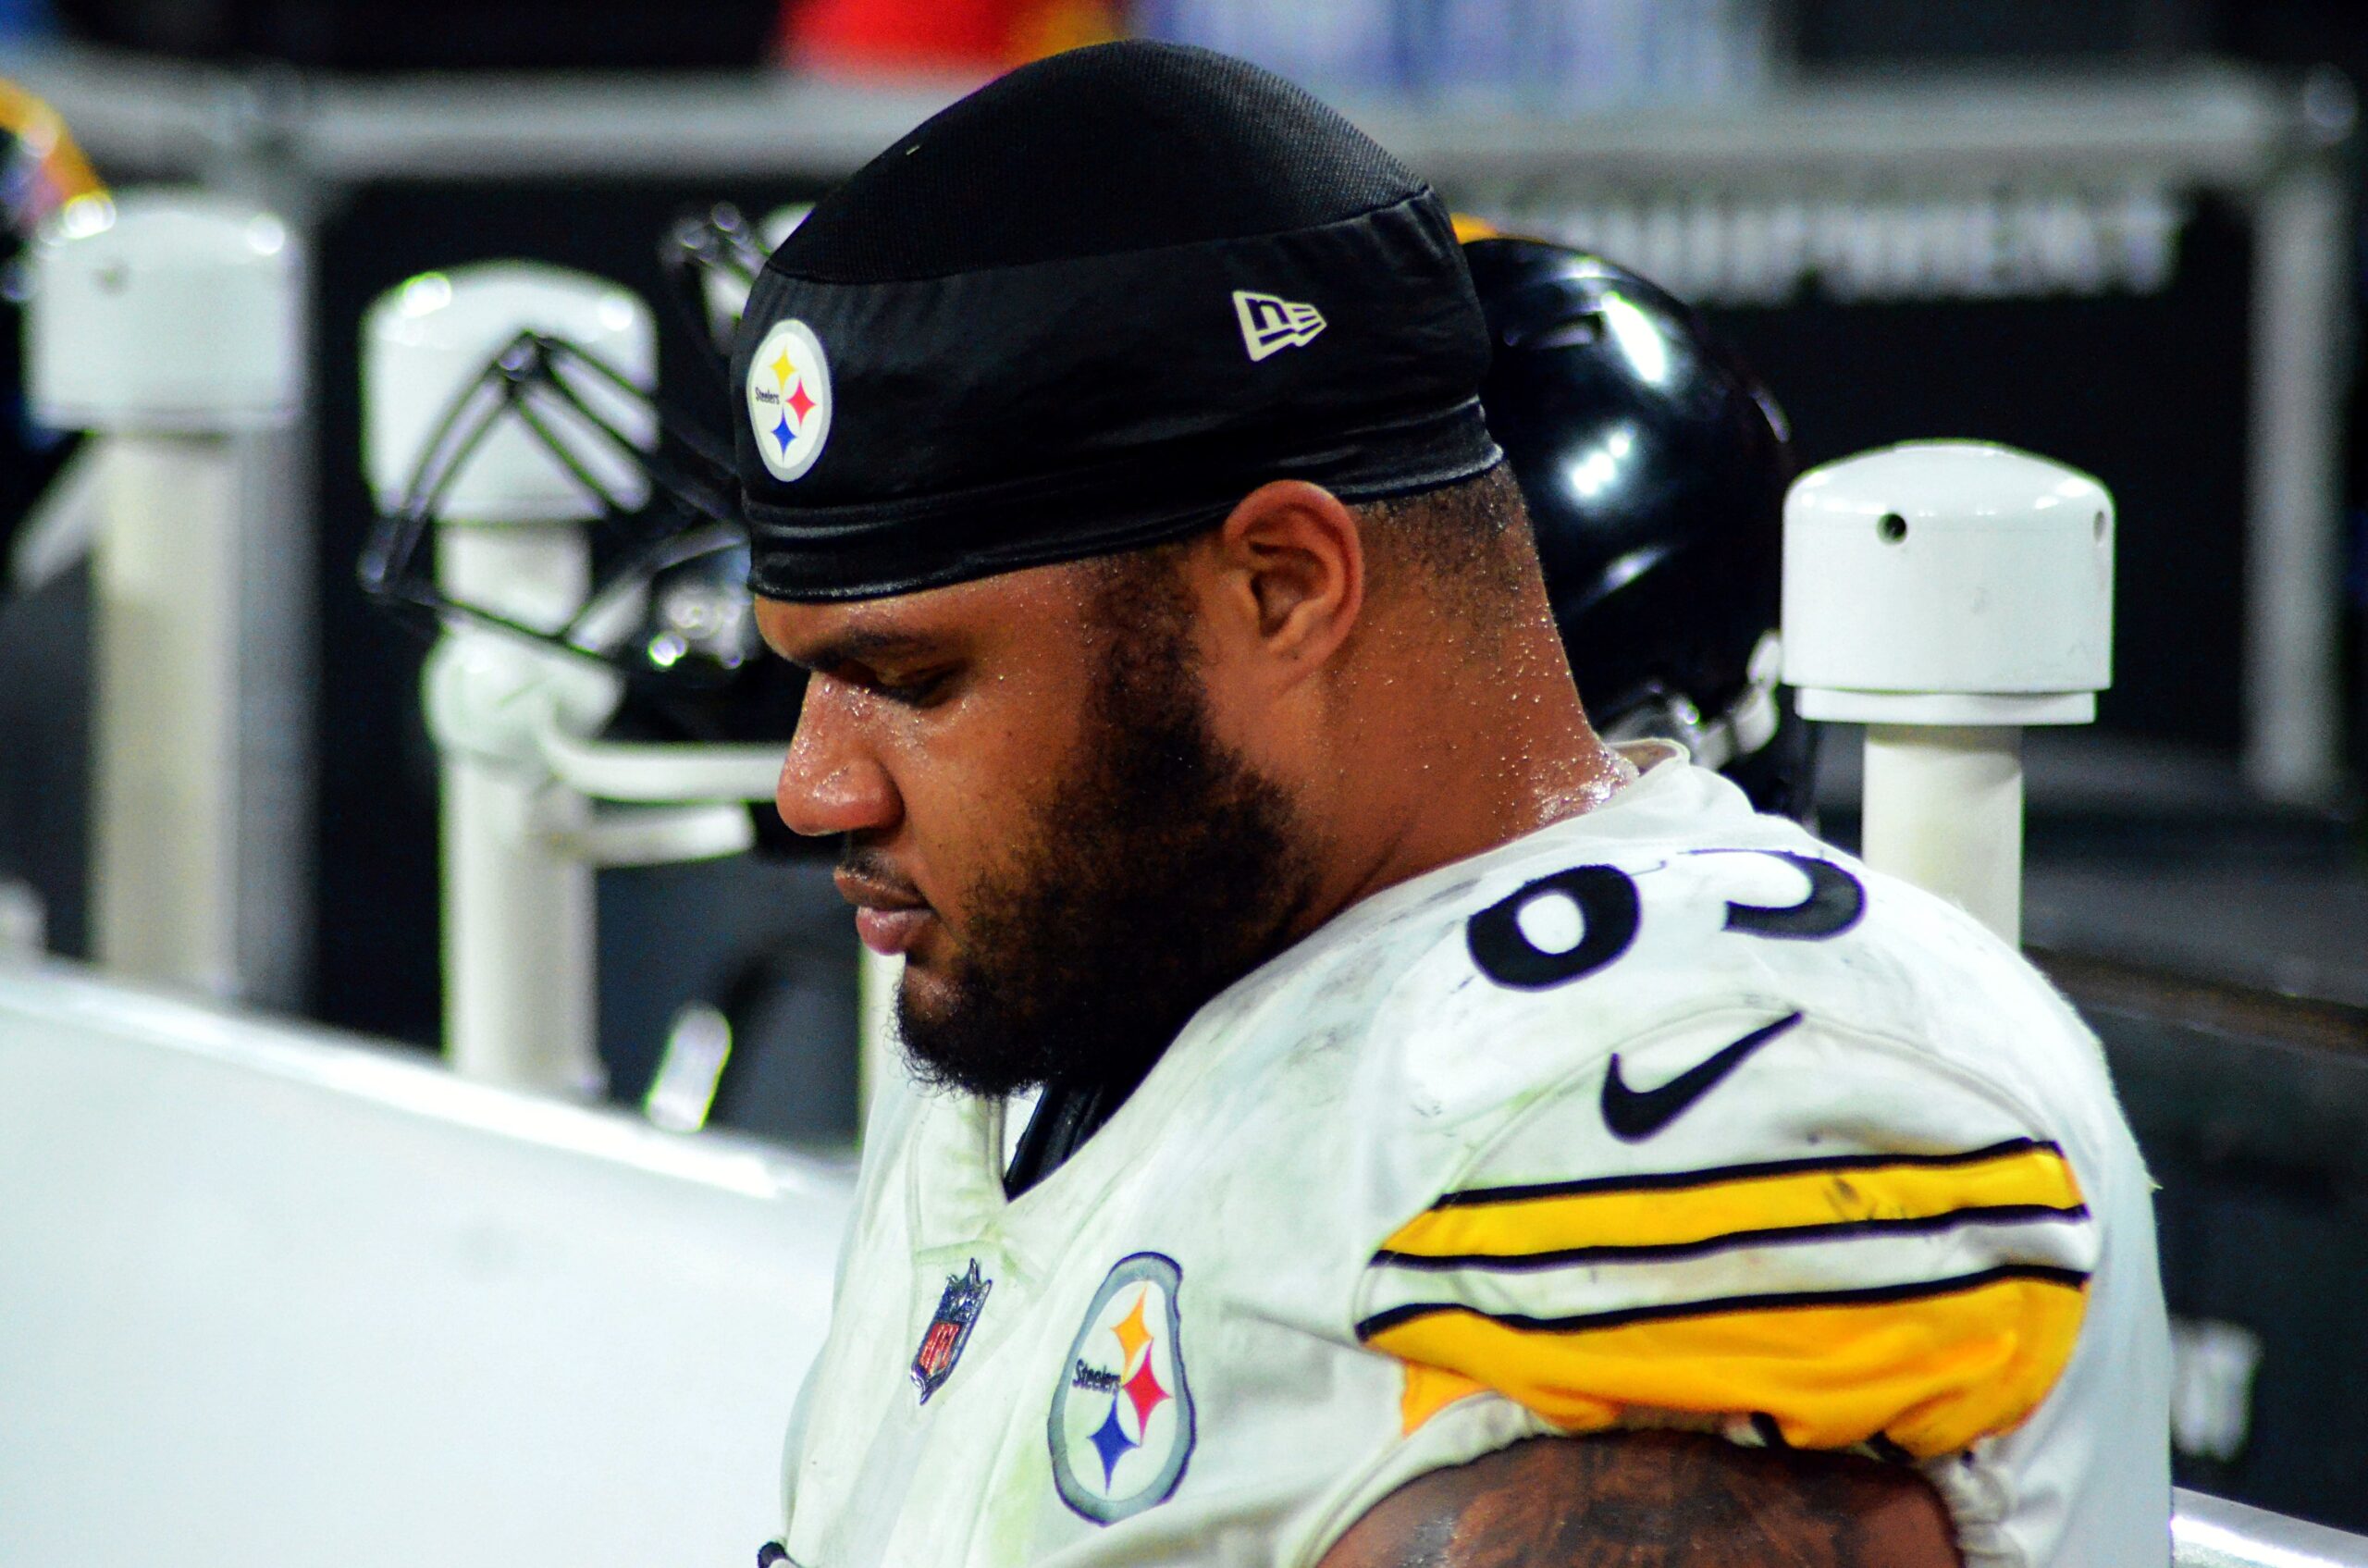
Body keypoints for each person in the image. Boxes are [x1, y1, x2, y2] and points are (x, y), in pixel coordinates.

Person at [734, 40, 2169, 1568]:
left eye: (917, 676)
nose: (814, 786)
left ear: (1283, 586)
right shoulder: (1088, 982)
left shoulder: (1675, 1060)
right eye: (808, 681)